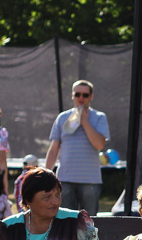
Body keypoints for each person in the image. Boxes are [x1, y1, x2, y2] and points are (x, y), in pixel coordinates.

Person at [44, 80, 109, 215]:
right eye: (77, 94)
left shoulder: (99, 117)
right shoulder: (62, 118)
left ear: (91, 97)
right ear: (72, 96)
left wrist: (84, 121)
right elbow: (54, 148)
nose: (81, 98)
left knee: (89, 223)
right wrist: (46, 173)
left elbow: (99, 144)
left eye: (85, 95)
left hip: (90, 181)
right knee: (65, 222)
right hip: (65, 179)